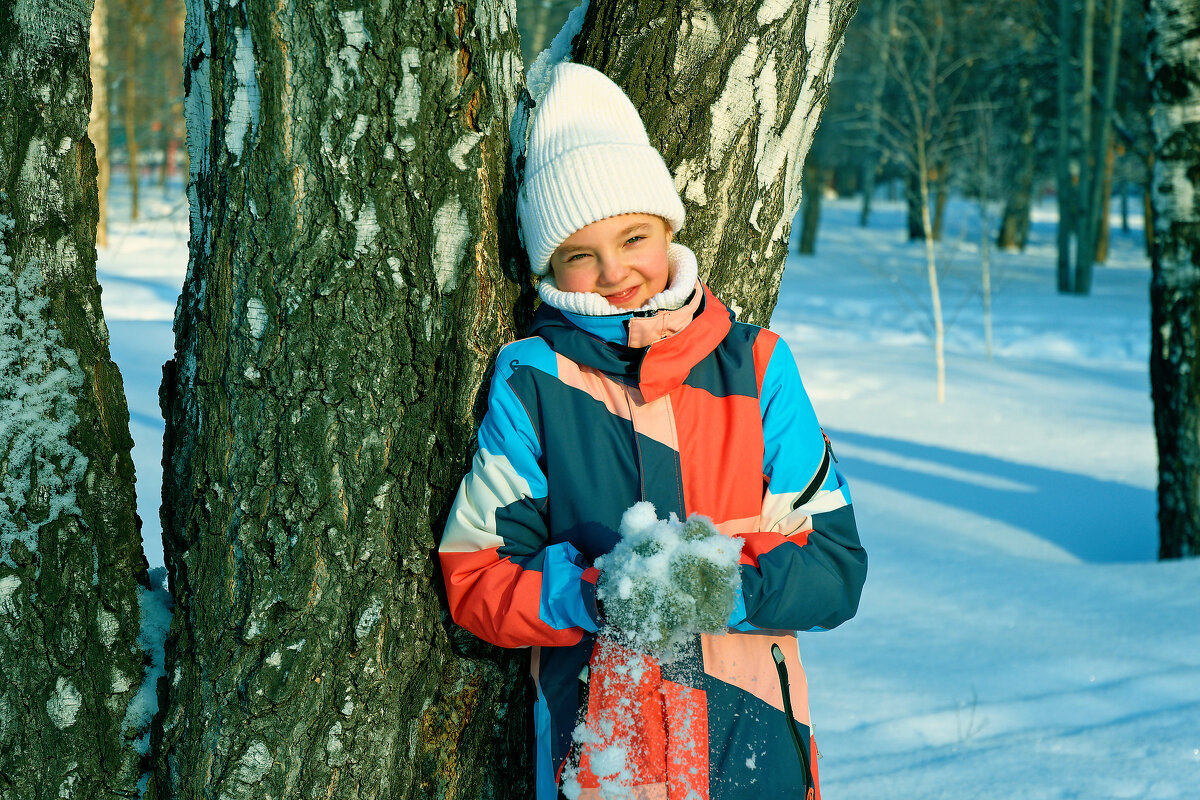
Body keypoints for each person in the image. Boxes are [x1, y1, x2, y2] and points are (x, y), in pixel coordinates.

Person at [438, 62, 867, 800]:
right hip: (604, 757)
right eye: (580, 255)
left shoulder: (757, 365)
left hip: (753, 748)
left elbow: (834, 566)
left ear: (667, 226)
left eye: (633, 236)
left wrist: (729, 588)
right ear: (549, 264)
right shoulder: (533, 381)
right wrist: (593, 597)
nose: (614, 273)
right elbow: (476, 576)